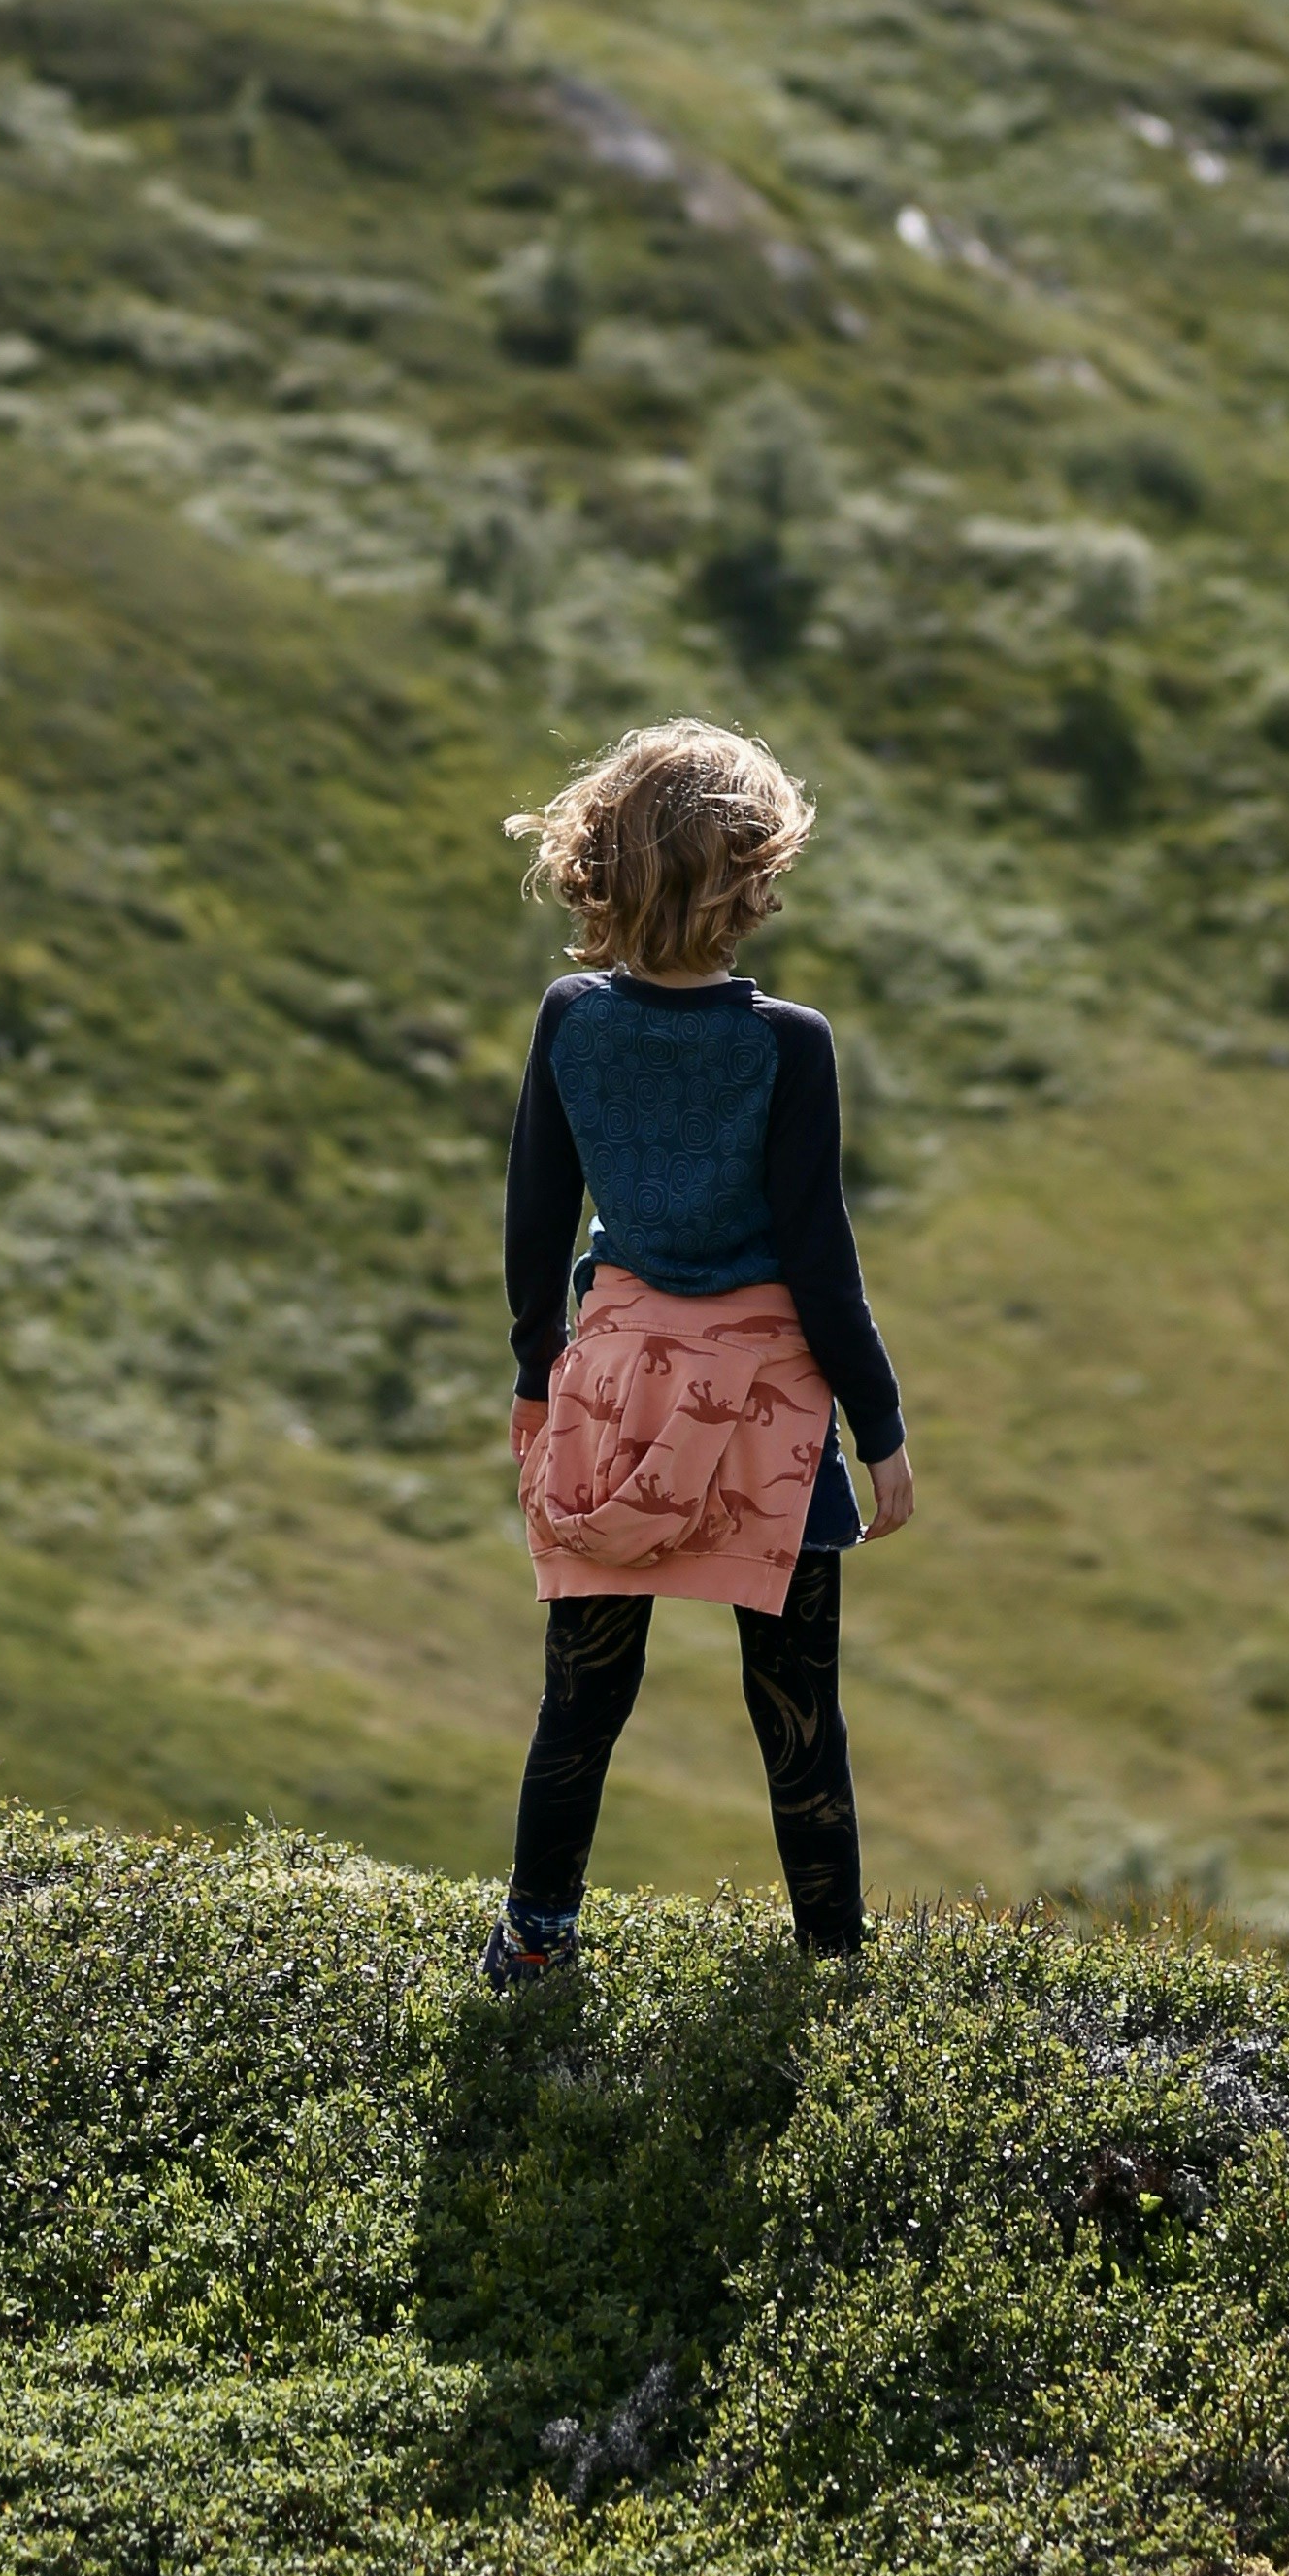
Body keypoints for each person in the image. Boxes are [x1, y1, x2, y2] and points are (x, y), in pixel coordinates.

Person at [483, 715, 913, 1992]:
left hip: (614, 1387)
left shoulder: (572, 1020)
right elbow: (819, 1259)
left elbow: (532, 1223)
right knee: (795, 1712)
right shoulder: (789, 1045)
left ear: (605, 864)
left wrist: (533, 1379)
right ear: (751, 880)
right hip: (766, 1411)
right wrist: (881, 1432)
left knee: (584, 1696)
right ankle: (834, 1965)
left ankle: (534, 1943)